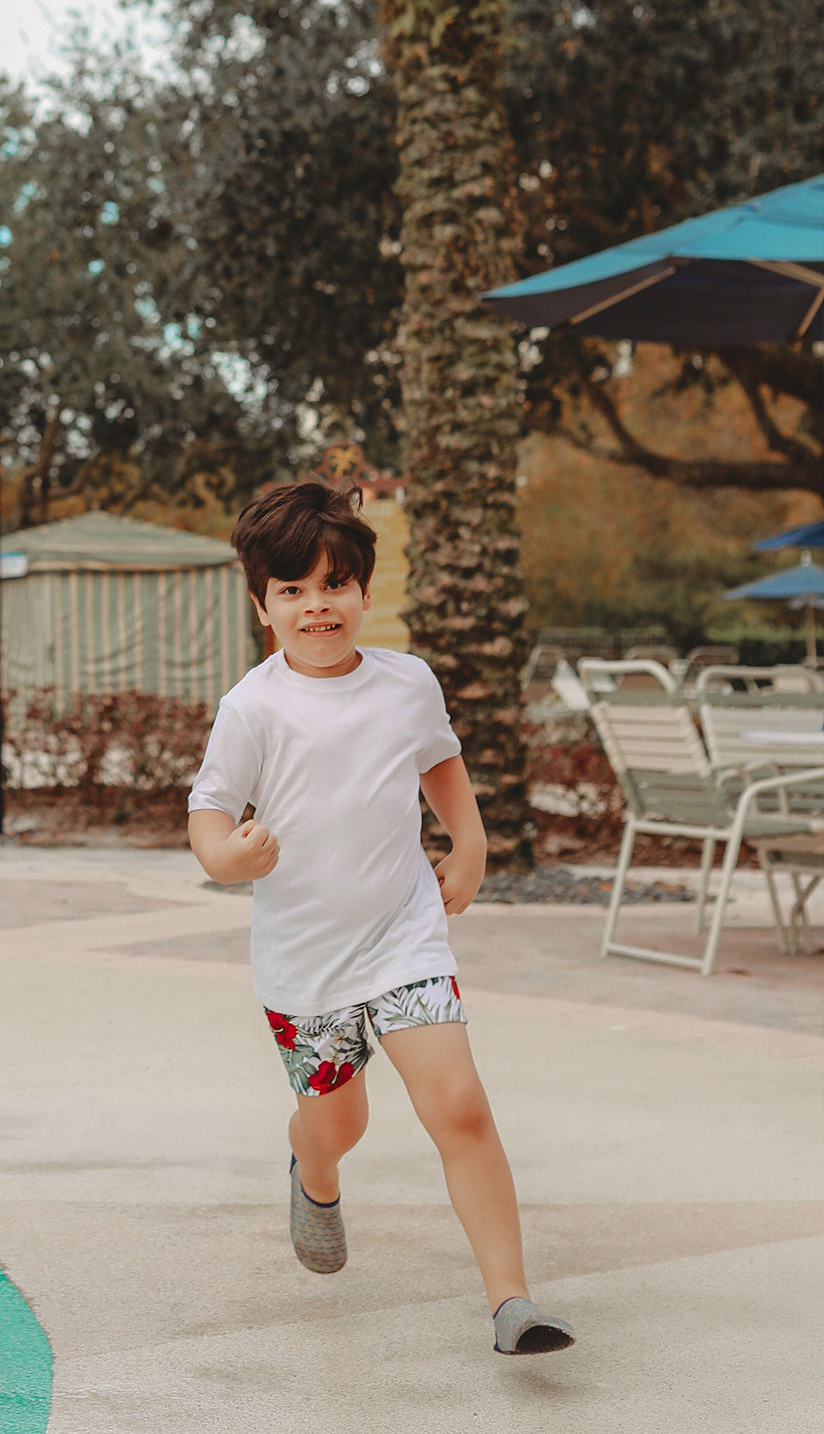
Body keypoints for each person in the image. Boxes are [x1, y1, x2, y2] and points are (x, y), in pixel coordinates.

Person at [186, 480, 576, 1356]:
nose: (315, 606)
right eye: (292, 591)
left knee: (460, 1105)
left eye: (333, 585)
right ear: (263, 605)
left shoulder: (407, 682)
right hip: (305, 960)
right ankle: (312, 1172)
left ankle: (511, 1301)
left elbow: (438, 760)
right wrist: (225, 858)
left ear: (364, 591)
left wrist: (468, 840)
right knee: (339, 1123)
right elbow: (208, 809)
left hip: (404, 936)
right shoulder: (253, 706)